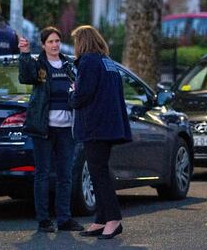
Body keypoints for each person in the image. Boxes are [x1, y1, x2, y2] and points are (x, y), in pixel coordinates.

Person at [68, 25, 132, 240]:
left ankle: (113, 219)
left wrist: (72, 95)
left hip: (94, 126)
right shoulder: (108, 62)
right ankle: (102, 218)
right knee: (99, 172)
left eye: (76, 42)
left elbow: (83, 94)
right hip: (109, 126)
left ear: (82, 42)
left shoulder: (88, 61)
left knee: (99, 174)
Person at [18, 27, 83, 233]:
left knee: (65, 175)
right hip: (44, 128)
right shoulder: (39, 65)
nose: (54, 45)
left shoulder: (69, 65)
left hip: (66, 129)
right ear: (43, 45)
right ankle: (44, 219)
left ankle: (64, 218)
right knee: (43, 174)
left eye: (57, 41)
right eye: (50, 42)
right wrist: (25, 53)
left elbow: (78, 88)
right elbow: (25, 77)